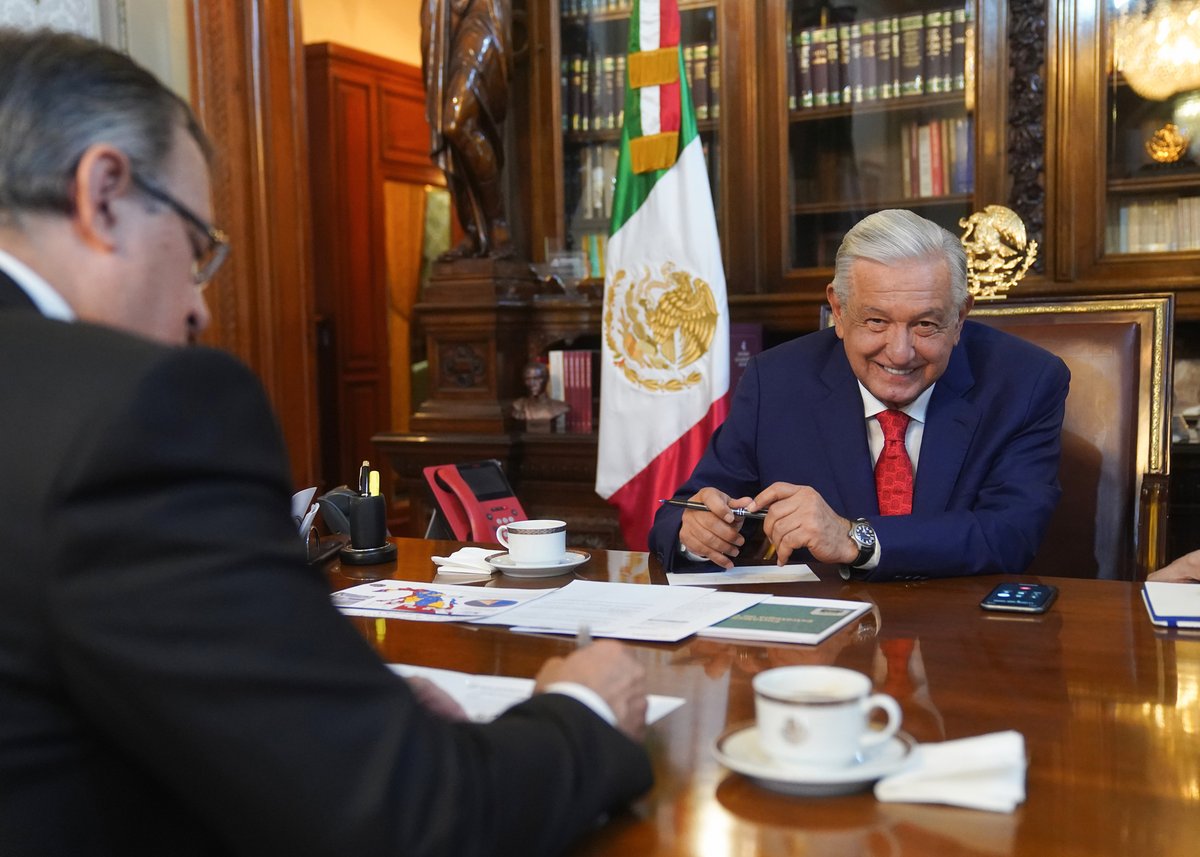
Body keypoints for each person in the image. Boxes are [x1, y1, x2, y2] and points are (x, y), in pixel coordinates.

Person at [0, 29, 650, 857]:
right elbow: (408, 819)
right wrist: (584, 710)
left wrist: (327, 715)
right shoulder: (134, 412)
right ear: (103, 194)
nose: (200, 307)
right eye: (197, 249)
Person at [649, 209, 1071, 581]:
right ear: (838, 311)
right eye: (876, 321)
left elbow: (1010, 534)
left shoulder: (1025, 383)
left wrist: (854, 538)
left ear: (960, 318)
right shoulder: (776, 382)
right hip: (824, 632)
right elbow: (679, 511)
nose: (900, 352)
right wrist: (696, 531)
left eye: (925, 325)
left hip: (965, 631)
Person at [420, 0, 512, 258]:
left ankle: (498, 222)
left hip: (482, 11)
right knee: (446, 127)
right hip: (442, 13)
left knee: (455, 121)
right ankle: (473, 228)